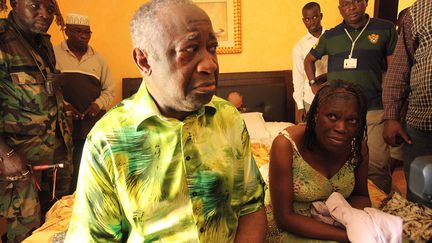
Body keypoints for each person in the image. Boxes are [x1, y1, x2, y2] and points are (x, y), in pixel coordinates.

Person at [65, 0, 267, 242]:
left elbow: (251, 206)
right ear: (144, 60)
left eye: (212, 48)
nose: (210, 64)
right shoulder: (108, 140)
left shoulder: (228, 118)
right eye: (190, 50)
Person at [304, 0, 400, 194]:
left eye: (356, 2)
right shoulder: (331, 36)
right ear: (340, 9)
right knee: (340, 162)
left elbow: (395, 71)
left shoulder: (385, 29)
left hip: (374, 107)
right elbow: (309, 59)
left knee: (377, 164)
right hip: (341, 114)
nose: (352, 7)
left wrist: (393, 111)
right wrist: (313, 84)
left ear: (365, 3)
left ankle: (378, 207)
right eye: (346, 4)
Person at [0, 0, 72, 241]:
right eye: (35, 5)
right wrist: (7, 155)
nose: (45, 14)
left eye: (50, 9)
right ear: (14, 3)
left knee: (53, 228)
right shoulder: (3, 42)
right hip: (19, 163)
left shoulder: (43, 42)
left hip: (54, 157)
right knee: (25, 233)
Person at [269, 79, 370, 242]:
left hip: (340, 224)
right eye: (332, 116)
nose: (341, 128)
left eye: (352, 120)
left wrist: (355, 222)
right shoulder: (286, 145)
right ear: (315, 115)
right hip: (295, 226)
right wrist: (348, 237)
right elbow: (284, 218)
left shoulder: (357, 147)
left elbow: (361, 195)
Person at [54, 13, 115, 193]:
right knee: (62, 172)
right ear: (67, 32)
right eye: (77, 31)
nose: (83, 36)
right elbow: (47, 87)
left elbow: (109, 90)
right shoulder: (53, 53)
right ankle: (59, 209)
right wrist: (63, 105)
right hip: (60, 126)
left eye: (87, 32)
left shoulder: (99, 59)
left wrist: (97, 105)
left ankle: (80, 202)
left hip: (90, 124)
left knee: (85, 169)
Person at [382, 0, 432, 207]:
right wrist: (392, 117)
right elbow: (400, 68)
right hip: (421, 128)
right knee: (420, 201)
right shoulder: (419, 10)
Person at [292, 2, 327, 124]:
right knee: (311, 137)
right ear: (303, 21)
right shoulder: (299, 47)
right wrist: (300, 106)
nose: (311, 21)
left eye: (315, 17)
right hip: (310, 98)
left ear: (321, 16)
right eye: (307, 19)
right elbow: (298, 78)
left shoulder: (332, 37)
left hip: (333, 95)